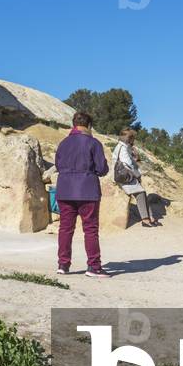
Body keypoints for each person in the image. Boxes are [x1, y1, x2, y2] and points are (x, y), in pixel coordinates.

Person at [55, 111, 111, 278]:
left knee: (65, 228)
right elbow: (102, 169)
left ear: (74, 124)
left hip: (65, 189)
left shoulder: (63, 143)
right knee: (90, 230)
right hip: (87, 190)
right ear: (89, 125)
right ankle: (94, 267)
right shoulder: (94, 143)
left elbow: (58, 165)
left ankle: (63, 264)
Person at [113, 128, 159, 228]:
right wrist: (137, 175)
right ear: (129, 138)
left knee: (142, 193)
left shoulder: (124, 147)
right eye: (133, 138)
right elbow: (127, 164)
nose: (133, 140)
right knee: (140, 193)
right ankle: (146, 219)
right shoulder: (123, 148)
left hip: (126, 175)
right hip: (123, 176)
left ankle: (149, 217)